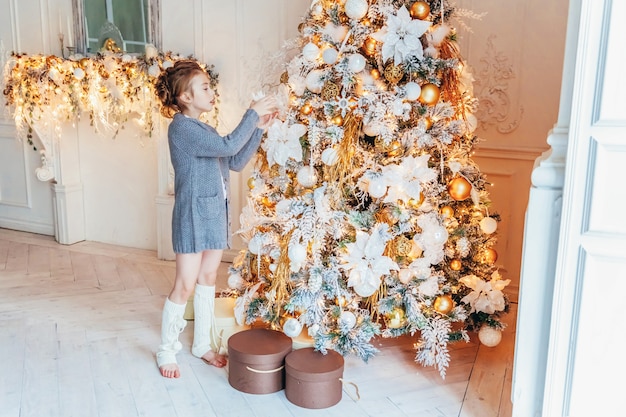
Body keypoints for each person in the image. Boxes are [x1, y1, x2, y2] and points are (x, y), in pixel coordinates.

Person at [154, 60, 277, 378]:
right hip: (193, 217)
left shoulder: (203, 129)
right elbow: (228, 145)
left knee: (208, 280)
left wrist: (260, 127)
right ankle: (167, 350)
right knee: (184, 285)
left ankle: (201, 345)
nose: (212, 91)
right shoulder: (181, 128)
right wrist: (252, 113)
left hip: (212, 214)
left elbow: (234, 159)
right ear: (184, 97)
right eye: (205, 87)